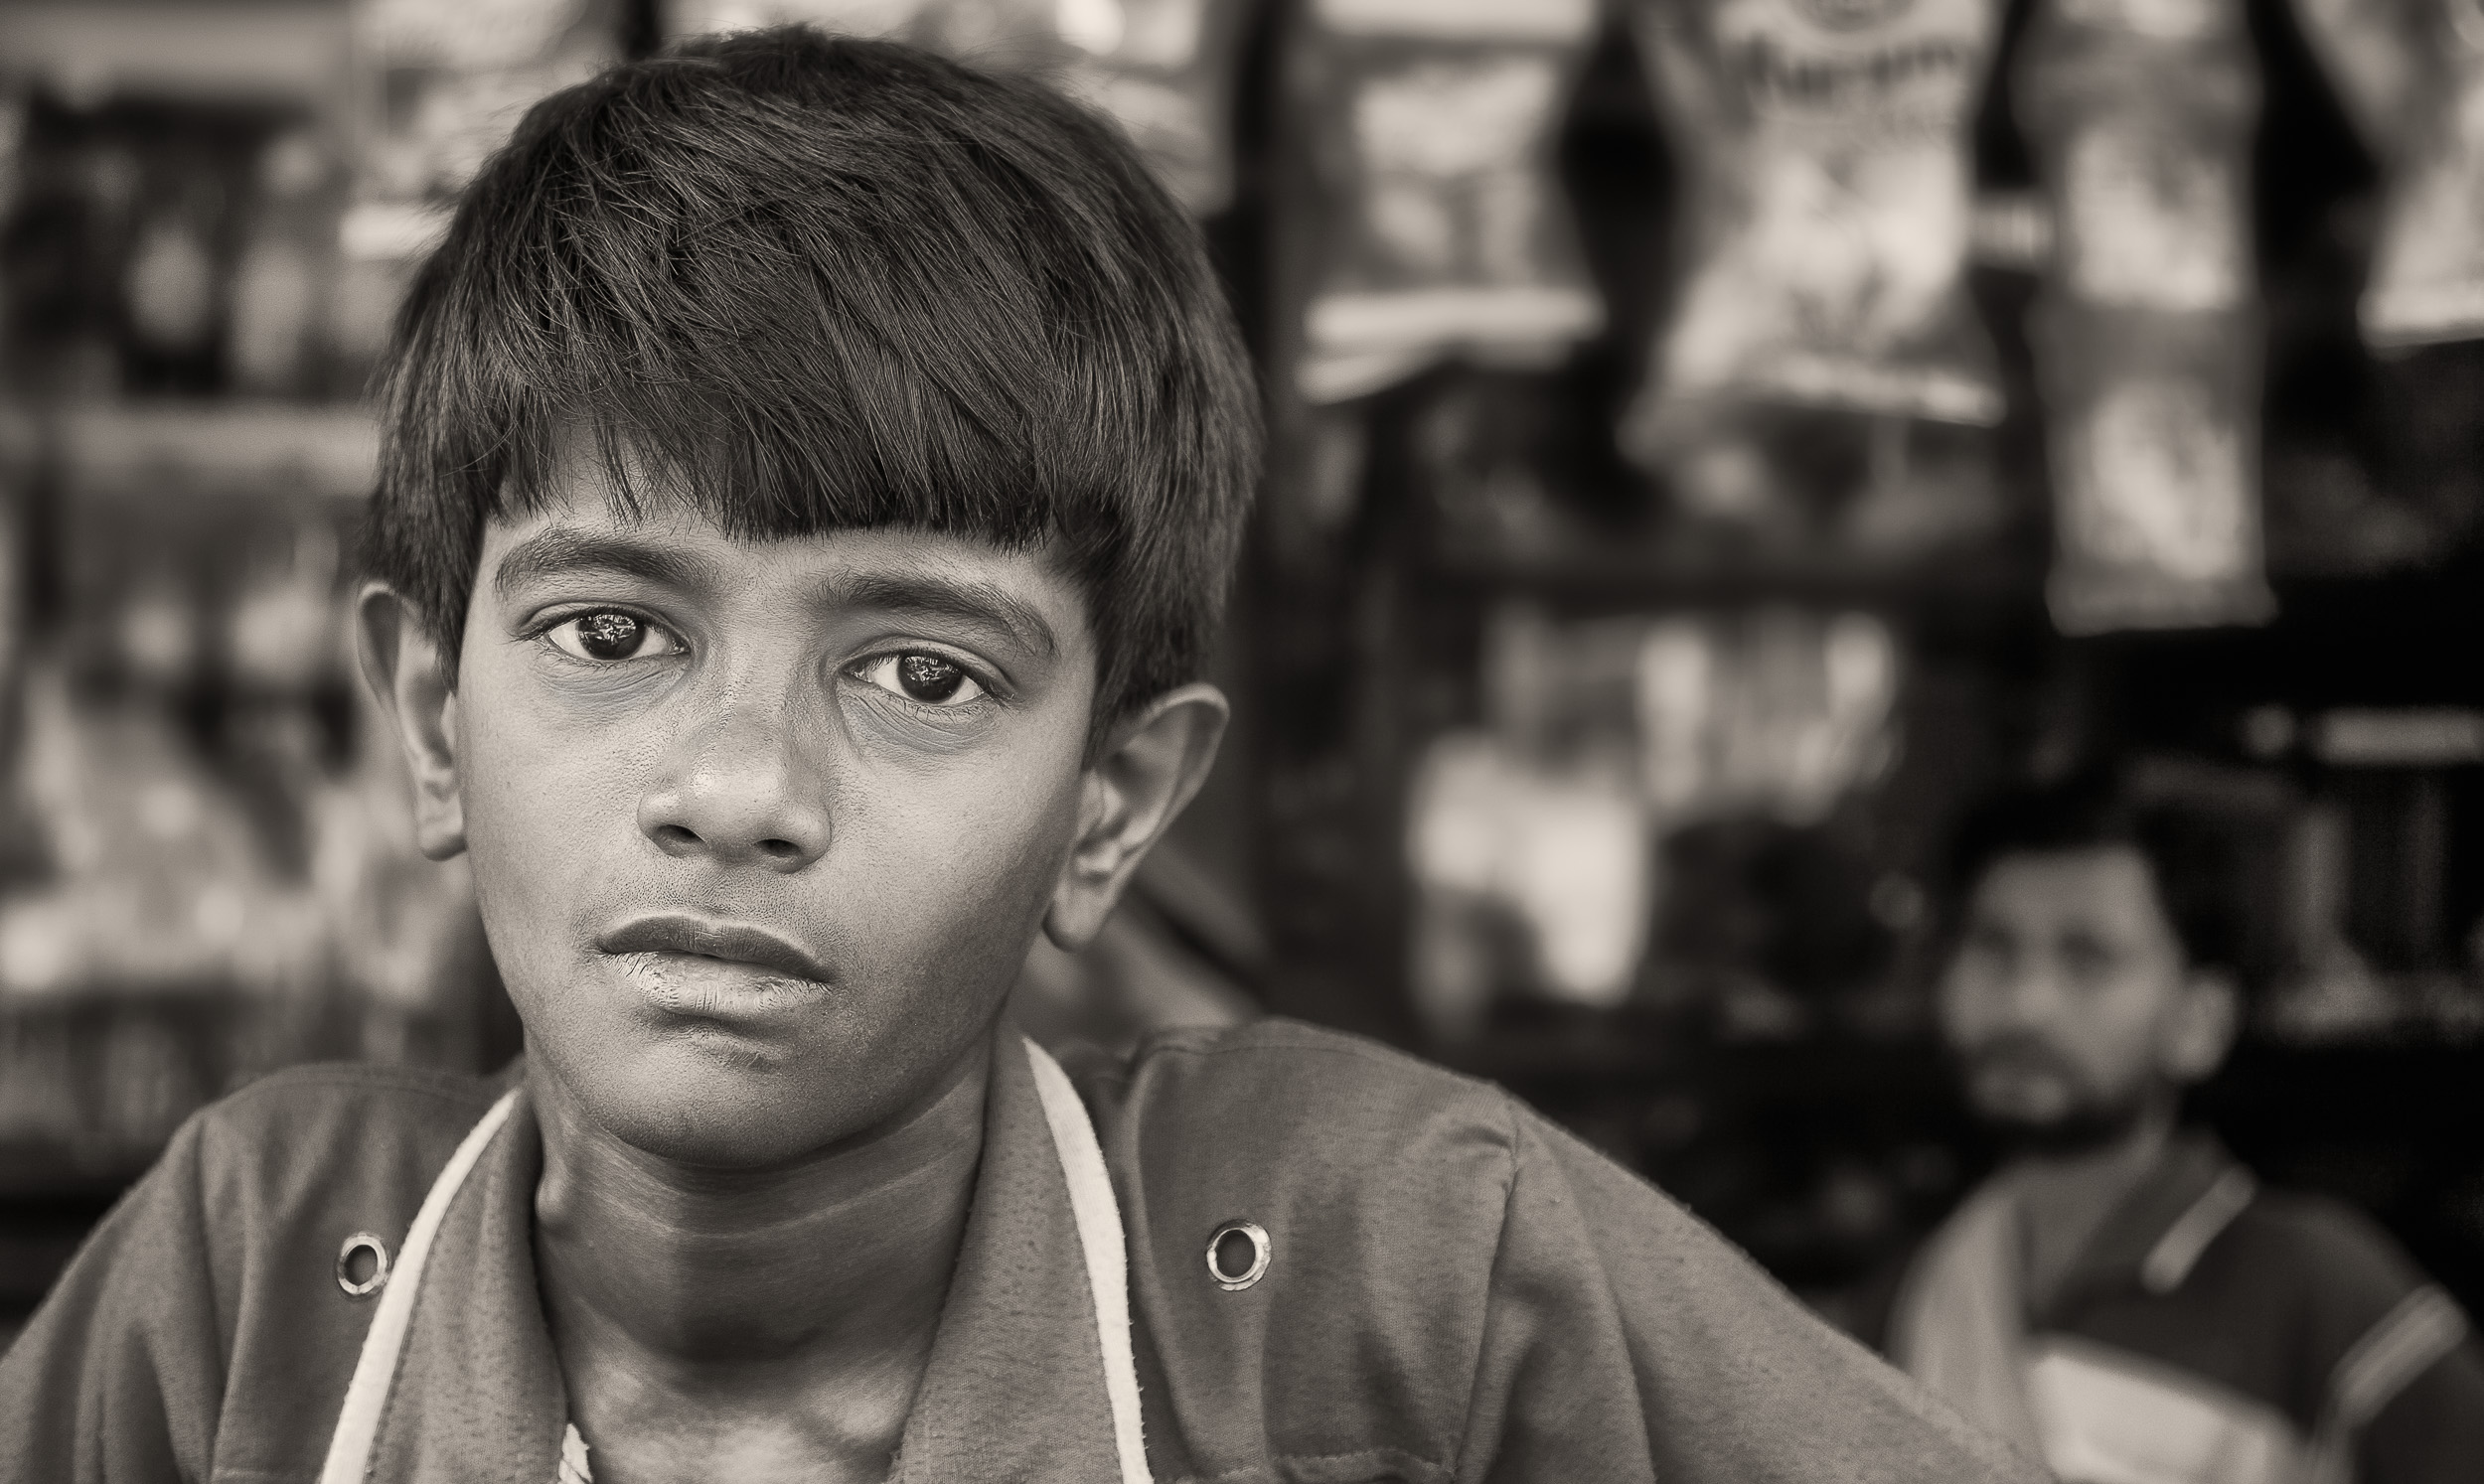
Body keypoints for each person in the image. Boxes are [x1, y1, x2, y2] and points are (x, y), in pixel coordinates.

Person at [0, 30, 2034, 1484]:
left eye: (924, 675)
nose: (738, 784)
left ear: (1115, 807)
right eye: (610, 636)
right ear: (434, 720)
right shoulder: (251, 1291)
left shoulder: (1379, 1265)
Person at [1886, 769, 2484, 1483]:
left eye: (2087, 958)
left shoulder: (2324, 1295)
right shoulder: (1927, 1281)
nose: (2024, 1005)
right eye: (1993, 947)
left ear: (2200, 1020)